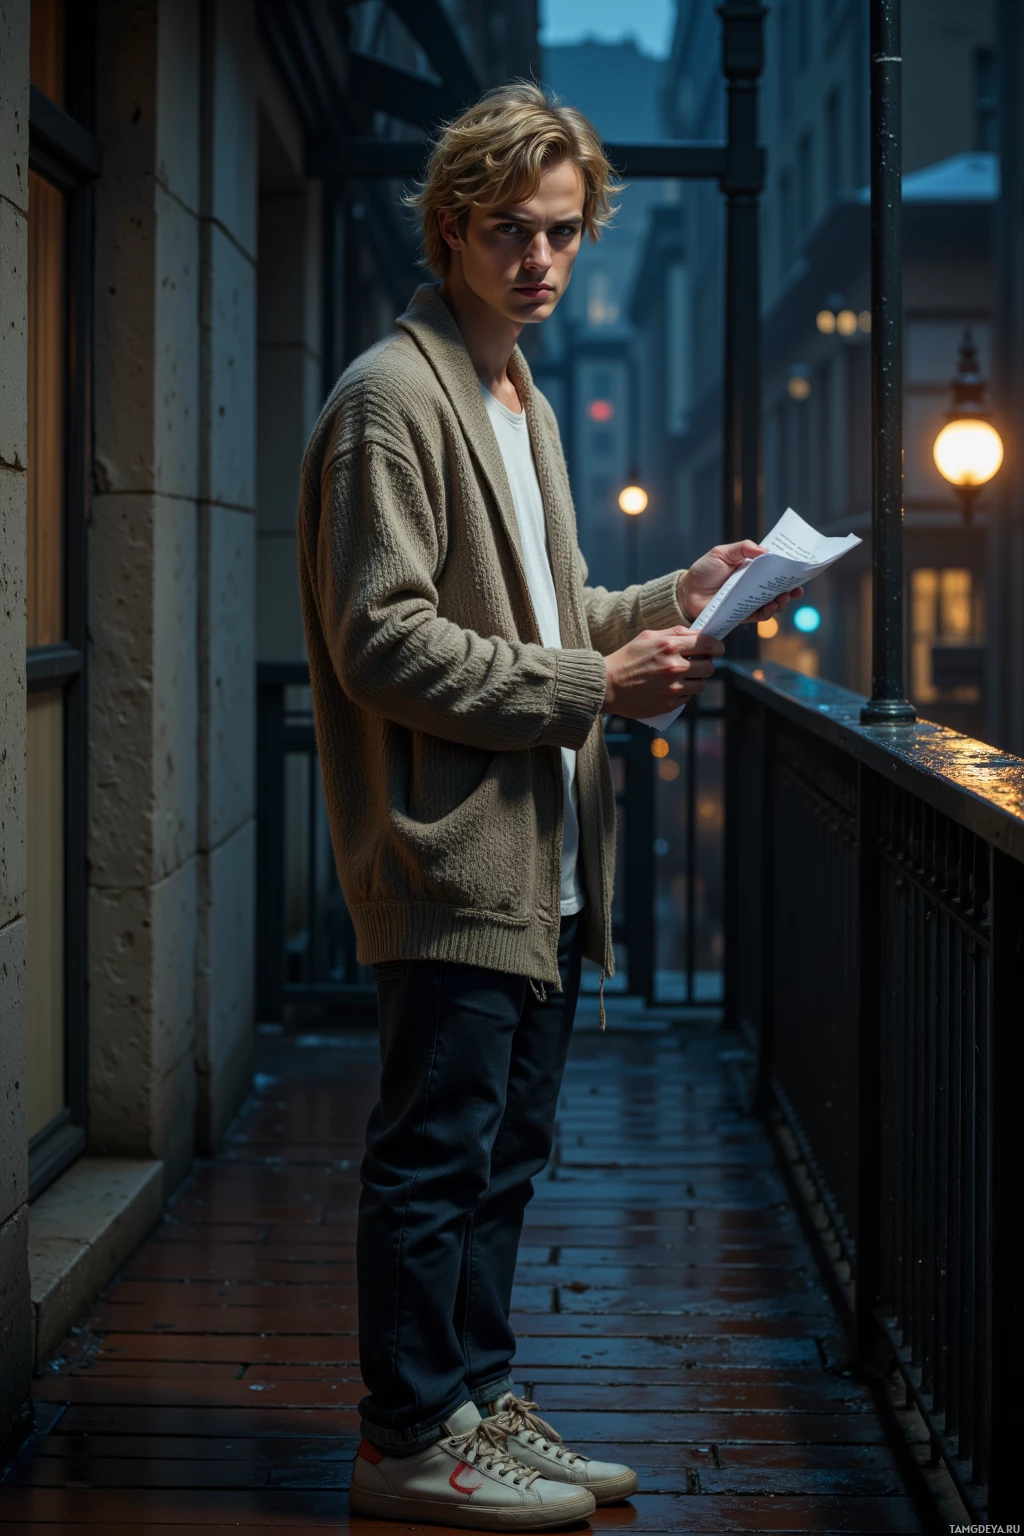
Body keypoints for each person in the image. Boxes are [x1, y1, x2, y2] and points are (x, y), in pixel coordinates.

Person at [297, 81, 799, 1532]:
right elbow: (381, 637)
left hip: (545, 860)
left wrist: (672, 599)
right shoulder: (392, 400)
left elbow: (546, 608)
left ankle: (473, 1403)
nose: (542, 259)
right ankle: (405, 1441)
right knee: (434, 1159)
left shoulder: (515, 397)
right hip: (456, 852)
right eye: (512, 229)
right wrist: (593, 681)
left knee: (503, 1159)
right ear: (452, 228)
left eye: (564, 232)